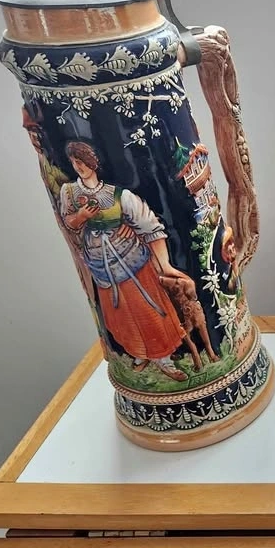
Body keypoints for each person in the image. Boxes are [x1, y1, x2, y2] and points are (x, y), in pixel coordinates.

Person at [59, 141, 191, 382]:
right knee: (118, 315)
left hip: (132, 261)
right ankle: (139, 353)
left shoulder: (119, 195)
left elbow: (150, 226)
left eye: (82, 162)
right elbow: (68, 222)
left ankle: (163, 358)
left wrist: (165, 265)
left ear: (92, 163)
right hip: (100, 264)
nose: (79, 167)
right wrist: (82, 216)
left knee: (148, 309)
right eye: (74, 162)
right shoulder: (69, 192)